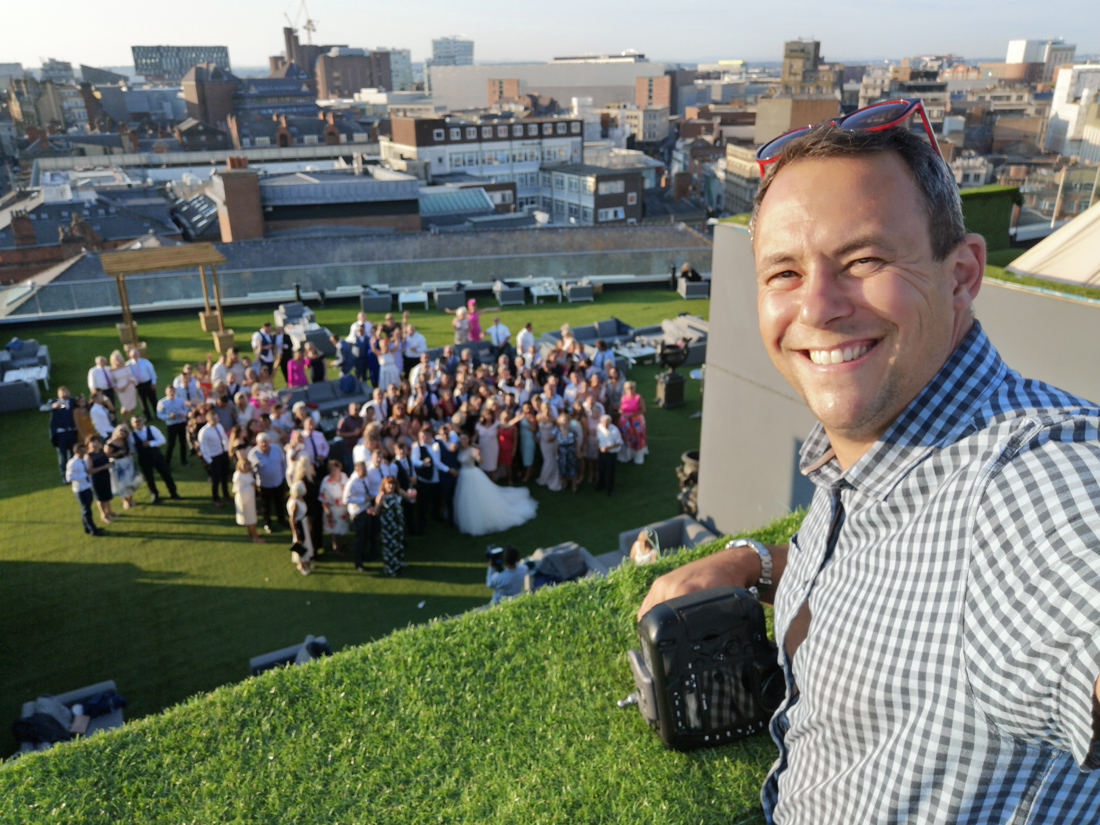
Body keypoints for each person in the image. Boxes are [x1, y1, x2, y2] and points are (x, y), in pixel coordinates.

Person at [637, 116, 1100, 822]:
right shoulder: (875, 454)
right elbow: (894, 559)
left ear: (963, 275)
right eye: (785, 272)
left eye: (863, 261)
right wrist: (755, 565)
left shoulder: (1026, 474)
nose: (817, 306)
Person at [453, 433, 537, 536]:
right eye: (461, 439)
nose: (463, 441)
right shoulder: (458, 449)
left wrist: (478, 455)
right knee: (465, 498)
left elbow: (481, 460)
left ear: (468, 440)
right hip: (463, 475)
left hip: (472, 474)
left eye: (465, 438)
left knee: (475, 497)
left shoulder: (472, 450)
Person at [129, 415, 181, 504]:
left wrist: (151, 443)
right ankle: (154, 494)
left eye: (139, 421)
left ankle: (173, 492)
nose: (138, 423)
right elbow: (132, 448)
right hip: (144, 459)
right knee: (149, 478)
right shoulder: (131, 436)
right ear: (132, 424)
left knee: (166, 474)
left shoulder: (152, 429)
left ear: (143, 421)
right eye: (135, 422)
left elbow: (162, 440)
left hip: (157, 456)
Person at [372, 475, 411, 577]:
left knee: (398, 544)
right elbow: (376, 512)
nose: (391, 486)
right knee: (390, 547)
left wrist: (413, 492)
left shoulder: (398, 492)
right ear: (384, 485)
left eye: (392, 483)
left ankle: (399, 564)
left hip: (398, 524)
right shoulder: (381, 495)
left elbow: (409, 497)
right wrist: (377, 505)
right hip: (388, 526)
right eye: (388, 484)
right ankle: (390, 569)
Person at [249, 433, 288, 533]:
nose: (264, 444)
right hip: (264, 485)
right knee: (266, 506)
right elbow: (251, 471)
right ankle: (268, 523)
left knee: (280, 503)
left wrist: (283, 476)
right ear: (257, 443)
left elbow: (283, 462)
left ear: (269, 442)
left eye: (265, 441)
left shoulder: (276, 448)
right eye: (261, 442)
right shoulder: (253, 454)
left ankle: (281, 520)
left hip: (278, 482)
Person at [66, 443, 104, 536]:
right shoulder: (72, 463)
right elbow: (69, 478)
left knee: (86, 509)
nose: (83, 452)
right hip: (80, 490)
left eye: (84, 450)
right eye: (81, 451)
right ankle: (93, 530)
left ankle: (87, 528)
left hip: (87, 486)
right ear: (75, 452)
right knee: (86, 510)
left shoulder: (84, 460)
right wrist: (84, 474)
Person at [198, 409, 231, 507]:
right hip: (214, 457)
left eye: (217, 418)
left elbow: (224, 438)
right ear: (208, 420)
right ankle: (215, 499)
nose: (216, 420)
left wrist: (227, 450)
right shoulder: (204, 432)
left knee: (225, 475)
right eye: (213, 419)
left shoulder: (219, 426)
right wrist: (209, 460)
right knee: (216, 479)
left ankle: (226, 494)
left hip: (223, 454)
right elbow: (204, 448)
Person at [344, 461, 373, 572]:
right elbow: (346, 499)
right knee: (359, 539)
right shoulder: (352, 482)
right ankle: (358, 563)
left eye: (365, 469)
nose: (365, 472)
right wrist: (362, 500)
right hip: (357, 513)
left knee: (365, 536)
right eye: (363, 470)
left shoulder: (364, 478)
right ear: (357, 470)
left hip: (366, 510)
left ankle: (363, 556)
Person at [318, 459, 349, 554]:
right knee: (334, 528)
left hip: (343, 508)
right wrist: (327, 511)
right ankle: (335, 545)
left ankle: (345, 543)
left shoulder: (344, 477)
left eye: (336, 469)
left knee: (344, 526)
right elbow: (323, 497)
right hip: (332, 508)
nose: (334, 471)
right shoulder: (326, 481)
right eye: (332, 469)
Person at [231, 454, 264, 543]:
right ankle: (255, 537)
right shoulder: (238, 475)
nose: (246, 467)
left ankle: (251, 533)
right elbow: (238, 490)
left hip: (250, 498)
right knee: (251, 519)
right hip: (244, 500)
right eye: (244, 465)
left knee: (250, 518)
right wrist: (251, 485)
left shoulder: (247, 473)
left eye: (247, 465)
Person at [85, 435, 116, 525]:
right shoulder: (89, 456)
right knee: (100, 497)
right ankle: (103, 515)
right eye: (92, 441)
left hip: (106, 476)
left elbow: (107, 460)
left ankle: (109, 511)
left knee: (107, 494)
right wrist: (103, 467)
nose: (94, 443)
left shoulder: (102, 452)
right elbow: (89, 470)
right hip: (96, 478)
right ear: (88, 444)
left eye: (96, 441)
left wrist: (110, 464)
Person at [49, 386, 78, 483]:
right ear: (58, 394)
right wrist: (52, 406)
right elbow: (47, 407)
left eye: (66, 391)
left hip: (72, 432)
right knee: (62, 456)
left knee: (73, 454)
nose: (65, 393)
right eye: (62, 392)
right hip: (61, 434)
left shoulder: (73, 402)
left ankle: (74, 473)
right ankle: (64, 476)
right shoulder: (56, 402)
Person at [105, 424, 138, 510]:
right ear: (116, 432)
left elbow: (132, 450)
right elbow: (106, 455)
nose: (123, 433)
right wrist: (117, 454)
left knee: (130, 482)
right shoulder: (111, 442)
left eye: (125, 431)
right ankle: (125, 501)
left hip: (128, 462)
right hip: (117, 464)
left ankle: (130, 499)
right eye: (121, 431)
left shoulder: (126, 441)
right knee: (121, 484)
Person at [157, 385, 190, 467]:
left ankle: (184, 460)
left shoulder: (180, 400)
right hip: (171, 425)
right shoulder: (162, 402)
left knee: (183, 442)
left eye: (173, 391)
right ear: (166, 392)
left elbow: (185, 409)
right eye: (169, 391)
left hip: (181, 423)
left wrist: (184, 414)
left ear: (175, 392)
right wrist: (168, 416)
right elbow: (159, 414)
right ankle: (167, 463)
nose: (171, 393)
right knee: (171, 444)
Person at [287, 481, 315, 576]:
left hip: (303, 523)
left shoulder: (300, 498)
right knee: (300, 544)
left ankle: (306, 561)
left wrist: (308, 523)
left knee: (306, 543)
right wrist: (295, 533)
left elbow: (303, 514)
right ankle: (300, 565)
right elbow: (292, 519)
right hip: (299, 526)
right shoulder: (294, 503)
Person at [616, 381, 647, 465]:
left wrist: (631, 415)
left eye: (631, 388)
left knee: (637, 437)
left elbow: (643, 410)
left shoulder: (638, 397)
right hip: (625, 421)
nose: (629, 390)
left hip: (636, 421)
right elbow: (620, 408)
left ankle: (637, 456)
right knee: (626, 437)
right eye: (627, 388)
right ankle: (626, 455)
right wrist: (623, 414)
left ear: (634, 388)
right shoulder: (623, 397)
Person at [534, 401, 562, 491]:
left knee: (550, 460)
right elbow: (536, 428)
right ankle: (545, 478)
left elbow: (558, 428)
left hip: (551, 442)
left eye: (548, 408)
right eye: (545, 408)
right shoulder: (538, 417)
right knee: (547, 459)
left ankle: (548, 478)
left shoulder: (553, 419)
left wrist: (553, 435)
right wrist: (536, 436)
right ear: (541, 408)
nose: (546, 410)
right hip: (543, 442)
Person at [594, 414, 622, 496]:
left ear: (610, 422)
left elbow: (618, 443)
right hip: (601, 453)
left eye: (607, 422)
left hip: (611, 454)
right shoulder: (598, 427)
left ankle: (610, 489)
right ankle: (601, 485)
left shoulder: (614, 430)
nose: (605, 424)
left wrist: (607, 447)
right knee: (601, 470)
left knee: (610, 472)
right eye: (603, 422)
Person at [127, 346, 158, 420]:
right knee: (143, 402)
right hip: (138, 385)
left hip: (147, 383)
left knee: (153, 399)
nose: (135, 355)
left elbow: (152, 373)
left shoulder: (145, 362)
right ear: (130, 356)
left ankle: (157, 414)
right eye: (133, 354)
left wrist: (153, 382)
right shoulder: (128, 364)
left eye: (136, 354)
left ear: (139, 354)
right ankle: (147, 416)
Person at [554, 412, 580, 492]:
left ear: (568, 421)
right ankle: (564, 484)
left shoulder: (573, 431)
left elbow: (577, 442)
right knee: (562, 469)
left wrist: (578, 452)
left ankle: (574, 486)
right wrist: (556, 454)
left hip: (571, 453)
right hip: (562, 454)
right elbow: (556, 443)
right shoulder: (557, 432)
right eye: (562, 421)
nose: (564, 422)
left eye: (565, 420)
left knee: (573, 469)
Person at [109, 350, 138, 418]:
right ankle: (124, 420)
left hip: (129, 387)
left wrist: (126, 386)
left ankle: (132, 417)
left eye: (119, 360)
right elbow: (112, 382)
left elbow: (131, 378)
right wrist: (117, 389)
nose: (118, 362)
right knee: (124, 405)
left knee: (132, 404)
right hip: (120, 389)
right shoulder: (111, 370)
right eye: (116, 360)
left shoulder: (126, 367)